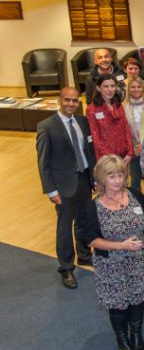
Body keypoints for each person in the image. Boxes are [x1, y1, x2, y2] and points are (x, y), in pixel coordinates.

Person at [83, 155, 144, 350]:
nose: (117, 181)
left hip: (138, 261)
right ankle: (122, 338)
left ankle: (136, 334)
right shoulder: (92, 207)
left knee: (137, 299)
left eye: (120, 176)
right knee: (118, 304)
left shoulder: (135, 195)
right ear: (101, 179)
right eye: (111, 176)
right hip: (111, 264)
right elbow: (89, 240)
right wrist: (120, 245)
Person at [36, 87, 97, 288]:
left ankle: (84, 256)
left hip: (84, 180)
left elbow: (88, 150)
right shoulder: (46, 126)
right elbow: (43, 163)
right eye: (67, 100)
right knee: (64, 228)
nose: (71, 104)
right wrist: (51, 191)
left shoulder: (82, 122)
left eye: (74, 101)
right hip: (63, 187)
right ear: (59, 100)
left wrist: (94, 176)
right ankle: (66, 268)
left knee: (84, 220)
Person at [87, 74, 134, 164]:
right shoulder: (92, 109)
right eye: (106, 86)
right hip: (106, 159)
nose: (110, 89)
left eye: (112, 86)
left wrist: (130, 152)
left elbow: (126, 129)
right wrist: (112, 158)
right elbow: (96, 138)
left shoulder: (118, 105)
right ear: (98, 88)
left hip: (124, 156)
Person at [123, 77, 144, 207]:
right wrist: (133, 146)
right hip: (133, 149)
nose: (136, 89)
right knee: (134, 183)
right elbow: (124, 131)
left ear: (143, 89)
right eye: (132, 87)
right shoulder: (124, 107)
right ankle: (137, 209)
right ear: (128, 89)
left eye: (139, 87)